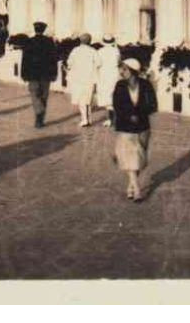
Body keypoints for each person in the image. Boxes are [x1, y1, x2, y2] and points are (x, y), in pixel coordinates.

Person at [110, 58, 157, 202]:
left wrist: (139, 114)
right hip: (125, 126)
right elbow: (117, 105)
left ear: (133, 71)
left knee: (138, 158)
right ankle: (137, 189)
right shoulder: (120, 86)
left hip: (142, 126)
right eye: (121, 69)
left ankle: (130, 186)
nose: (121, 72)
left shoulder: (146, 85)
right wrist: (130, 115)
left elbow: (153, 105)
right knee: (130, 157)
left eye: (124, 69)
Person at [19, 22, 58, 129]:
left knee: (34, 95)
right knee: (44, 96)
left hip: (33, 74)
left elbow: (25, 60)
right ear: (44, 30)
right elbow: (53, 60)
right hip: (46, 74)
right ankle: (40, 118)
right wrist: (54, 74)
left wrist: (23, 74)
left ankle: (38, 114)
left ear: (35, 29)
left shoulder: (29, 42)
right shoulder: (49, 42)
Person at [66, 33, 99, 128]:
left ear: (80, 41)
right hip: (89, 78)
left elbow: (69, 62)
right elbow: (98, 62)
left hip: (77, 78)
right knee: (88, 99)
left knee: (81, 99)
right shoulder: (93, 51)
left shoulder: (75, 50)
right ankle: (88, 118)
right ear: (90, 41)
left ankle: (84, 119)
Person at [95, 34, 121, 127]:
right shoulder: (116, 51)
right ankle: (115, 119)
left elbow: (97, 63)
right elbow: (118, 62)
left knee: (107, 97)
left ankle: (111, 119)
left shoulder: (100, 51)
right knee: (114, 95)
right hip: (114, 74)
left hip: (104, 74)